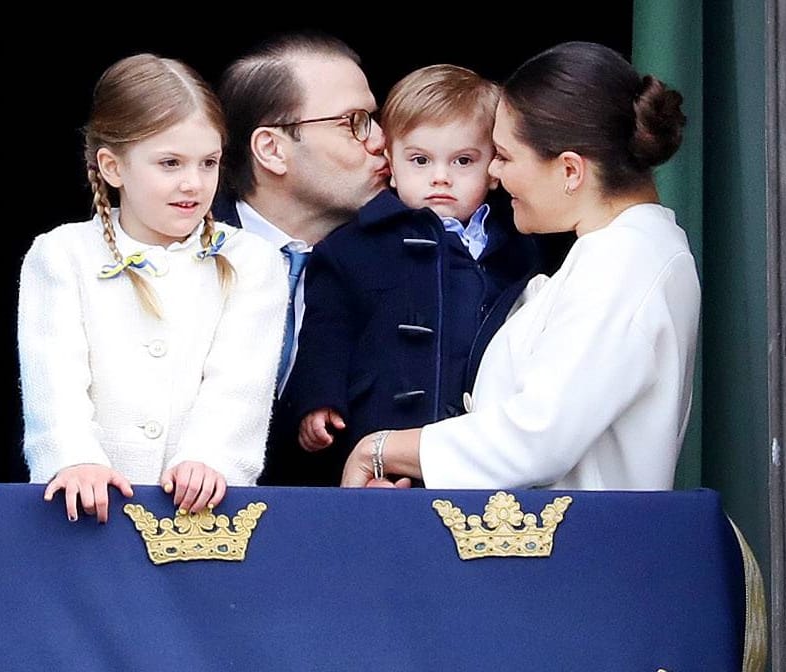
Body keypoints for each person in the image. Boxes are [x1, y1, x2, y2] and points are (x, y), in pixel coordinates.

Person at [341, 41, 700, 491]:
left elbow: (535, 439)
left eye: (505, 157)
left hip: (572, 551)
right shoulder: (613, 253)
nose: (495, 177)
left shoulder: (622, 262)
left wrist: (380, 449)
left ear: (570, 170)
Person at [17, 53, 288, 522]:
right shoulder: (61, 254)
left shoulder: (252, 260)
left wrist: (211, 457)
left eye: (208, 163)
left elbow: (241, 381)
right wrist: (74, 456)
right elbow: (54, 374)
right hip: (85, 510)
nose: (193, 183)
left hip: (201, 512)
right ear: (112, 167)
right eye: (170, 162)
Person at [287, 64, 551, 486]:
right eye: (420, 160)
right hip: (379, 444)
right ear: (390, 161)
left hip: (480, 456)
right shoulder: (351, 246)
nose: (440, 176)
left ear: (495, 166)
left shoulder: (518, 249)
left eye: (464, 160)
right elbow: (326, 331)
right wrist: (318, 399)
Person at [213, 31, 390, 485]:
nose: (382, 141)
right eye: (355, 122)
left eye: (376, 119)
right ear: (272, 149)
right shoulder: (175, 251)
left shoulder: (409, 255)